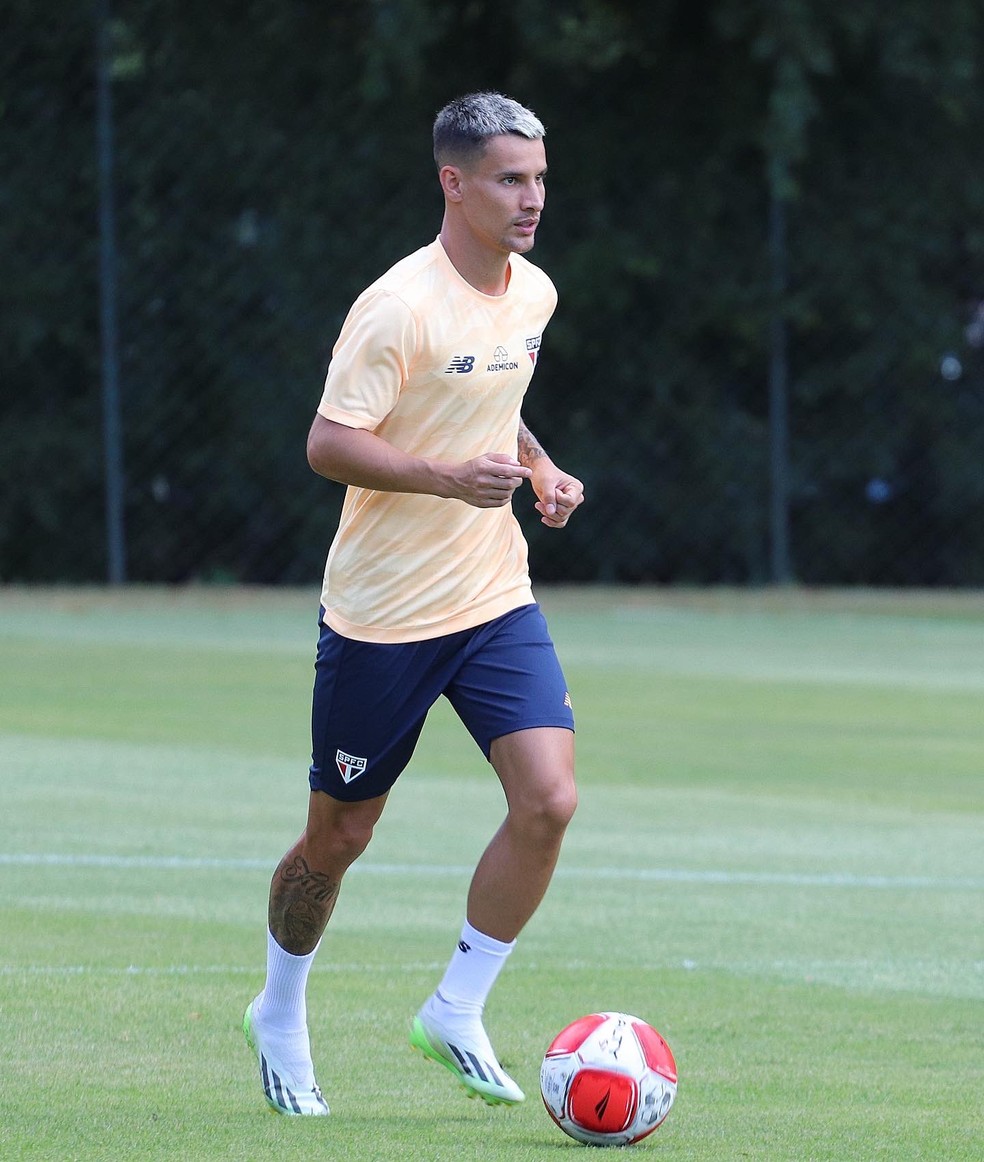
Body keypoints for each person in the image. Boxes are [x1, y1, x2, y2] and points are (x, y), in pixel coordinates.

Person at [243, 91, 584, 1117]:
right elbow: (327, 442)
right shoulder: (398, 305)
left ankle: (456, 1005)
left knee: (550, 799)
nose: (532, 200)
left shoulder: (533, 294)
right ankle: (280, 1006)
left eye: (539, 179)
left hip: (492, 593)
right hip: (383, 617)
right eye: (510, 180)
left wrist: (541, 468)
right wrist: (445, 477)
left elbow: (497, 400)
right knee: (337, 839)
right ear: (454, 182)